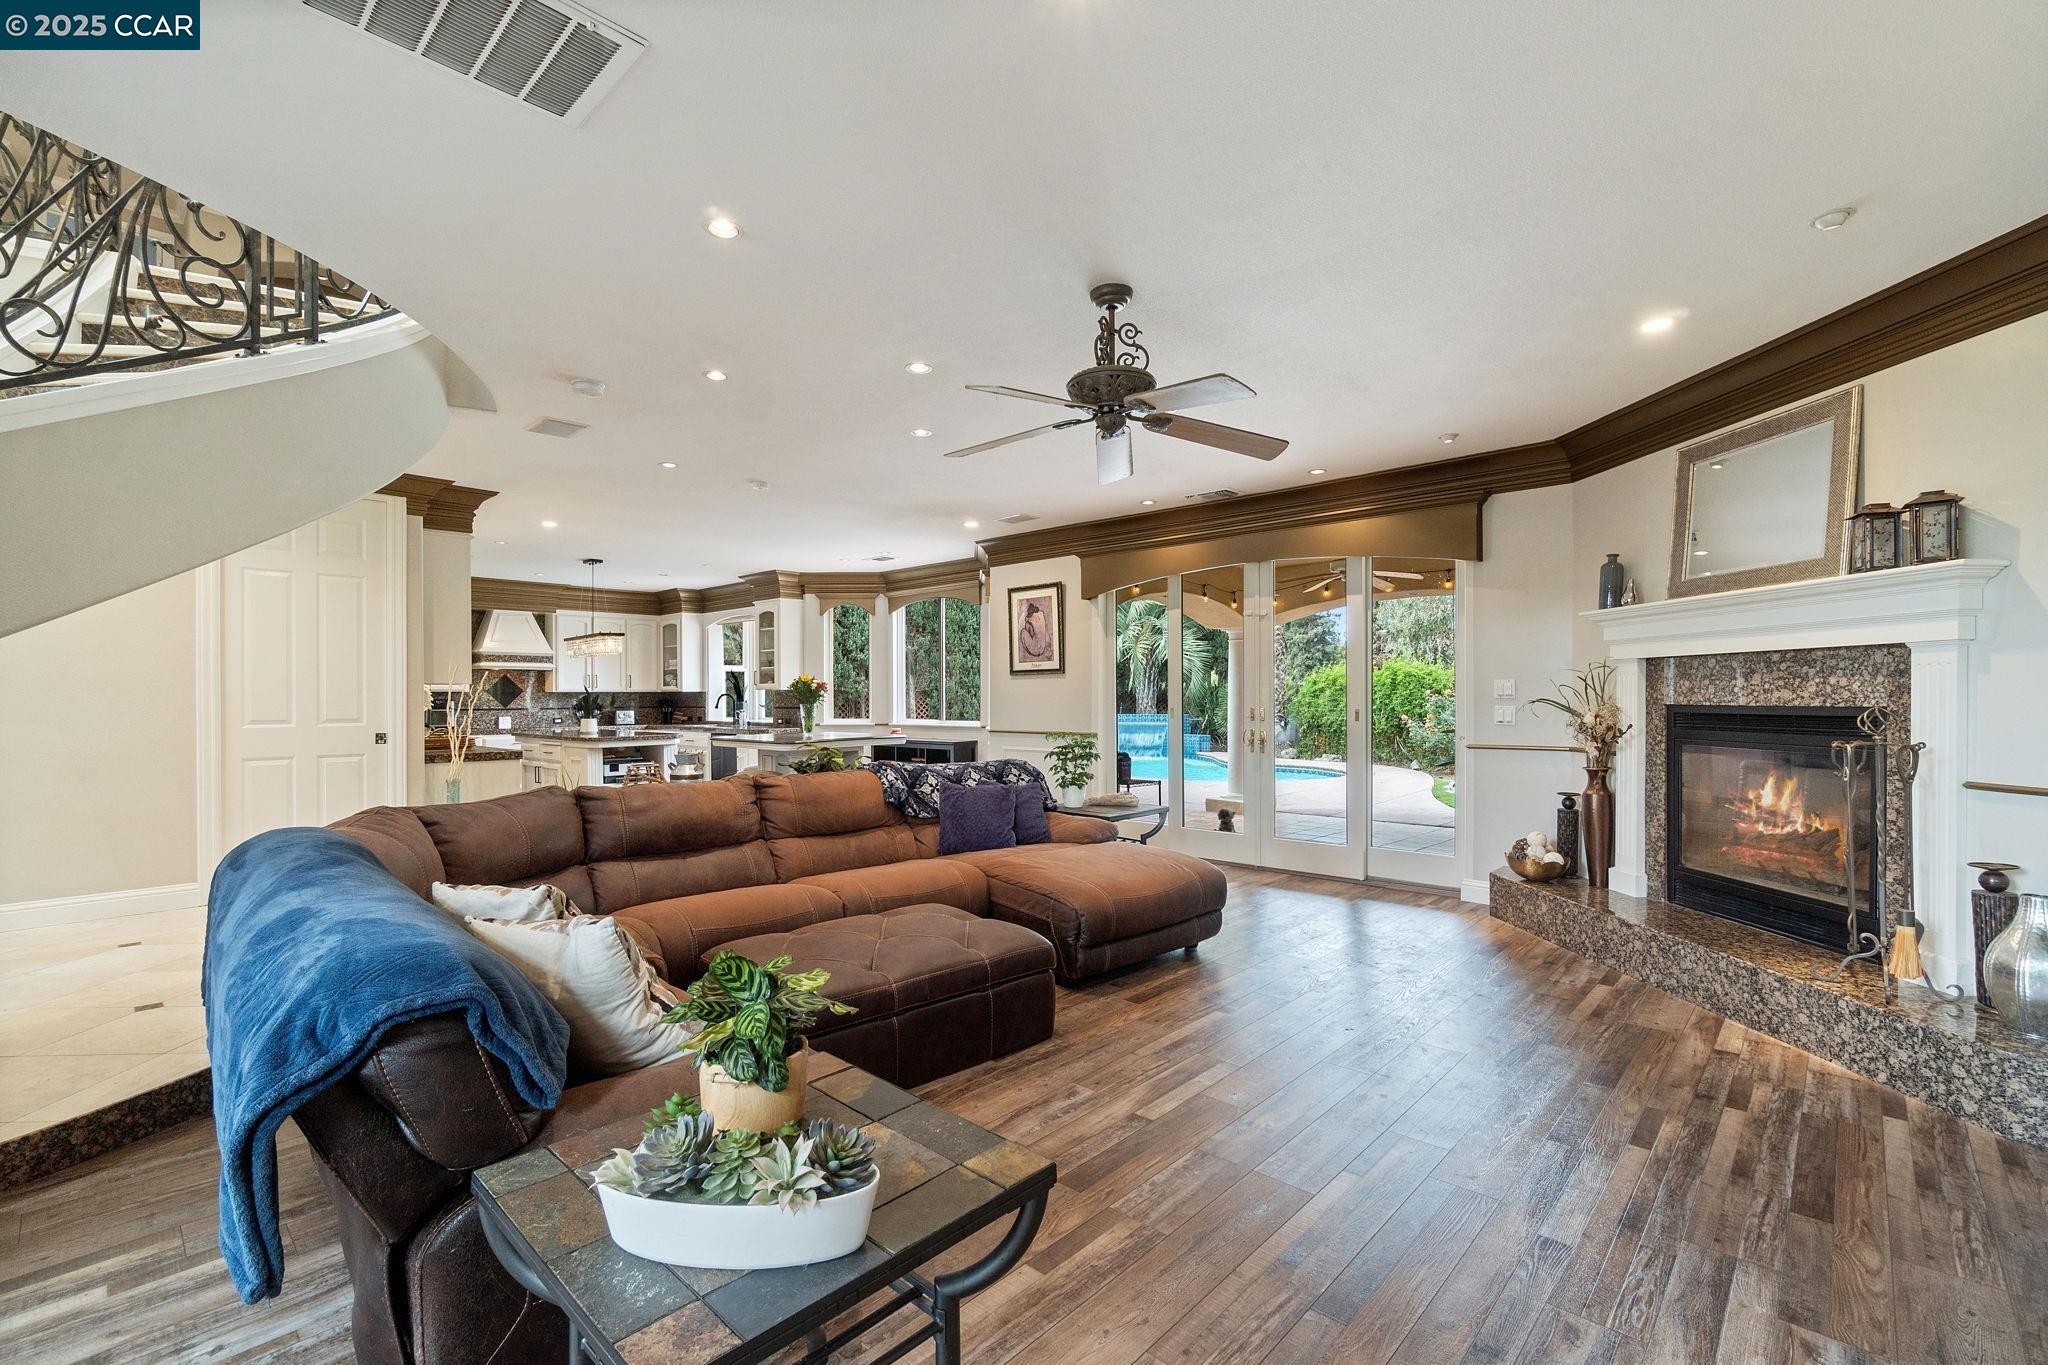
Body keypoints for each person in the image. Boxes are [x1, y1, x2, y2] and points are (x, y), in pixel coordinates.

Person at [1015, 598, 1054, 664]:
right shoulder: (1041, 615)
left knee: (1023, 631)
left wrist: (1027, 622)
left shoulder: (1030, 619)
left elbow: (1030, 631)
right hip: (1041, 649)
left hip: (1034, 650)